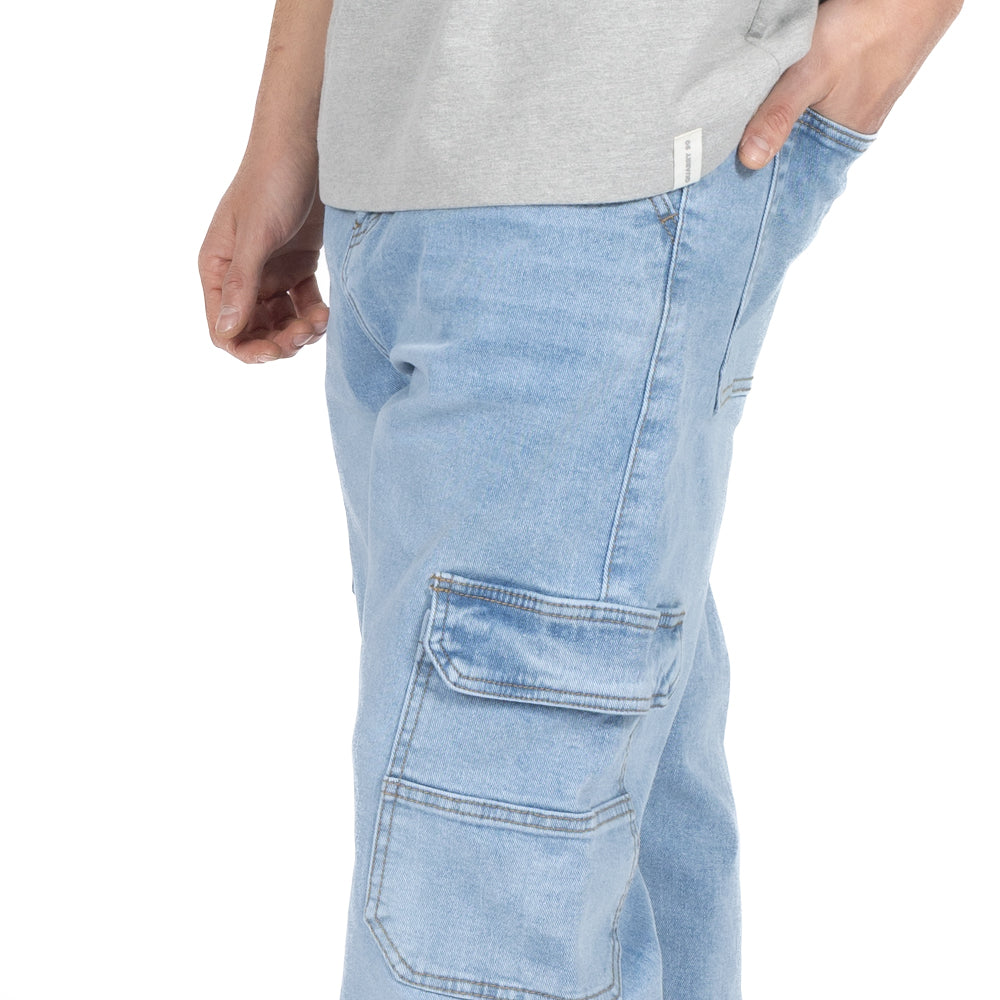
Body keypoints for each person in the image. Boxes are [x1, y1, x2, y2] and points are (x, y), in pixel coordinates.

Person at [198, 2, 963, 998]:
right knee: (579, 843)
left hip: (611, 174)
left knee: (478, 906)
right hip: (394, 170)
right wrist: (288, 134)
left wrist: (896, 22)